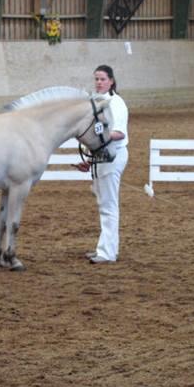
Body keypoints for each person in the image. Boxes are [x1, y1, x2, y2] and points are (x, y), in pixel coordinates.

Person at [76, 65, 129, 264]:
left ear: (112, 81)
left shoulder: (116, 104)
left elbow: (118, 132)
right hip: (102, 157)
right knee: (104, 204)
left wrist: (98, 136)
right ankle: (105, 248)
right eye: (96, 79)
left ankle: (107, 253)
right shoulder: (98, 102)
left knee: (108, 205)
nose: (99, 82)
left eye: (103, 79)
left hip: (113, 156)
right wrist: (90, 160)